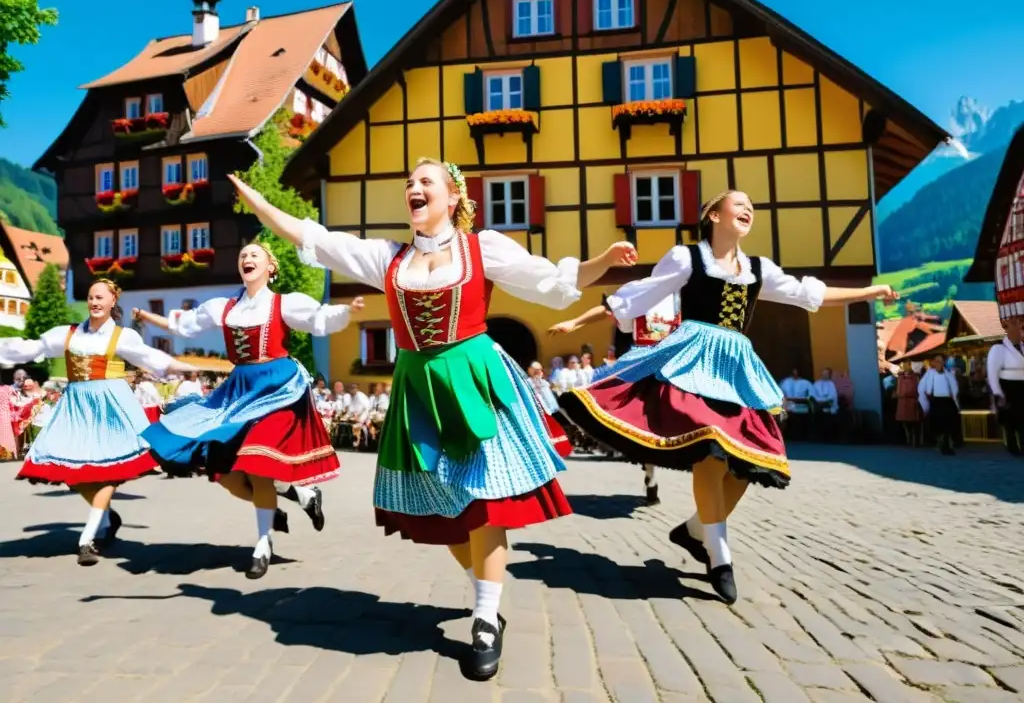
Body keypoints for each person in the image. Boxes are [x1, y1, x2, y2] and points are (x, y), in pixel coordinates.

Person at [229, 161, 636, 680]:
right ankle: (484, 587)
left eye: (426, 183)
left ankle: (486, 617)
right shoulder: (388, 259)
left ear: (453, 197)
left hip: (472, 378)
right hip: (418, 389)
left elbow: (550, 283)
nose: (414, 190)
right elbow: (319, 238)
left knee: (485, 501)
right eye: (409, 184)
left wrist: (603, 259)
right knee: (441, 510)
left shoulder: (481, 248)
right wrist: (258, 204)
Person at [558, 190, 896, 604]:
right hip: (692, 360)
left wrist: (868, 292)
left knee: (751, 461)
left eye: (751, 206)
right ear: (713, 215)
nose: (748, 208)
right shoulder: (687, 259)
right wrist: (582, 318)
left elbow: (809, 295)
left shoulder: (758, 269)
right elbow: (642, 294)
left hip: (736, 367)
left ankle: (696, 529)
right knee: (710, 451)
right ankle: (720, 557)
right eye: (739, 204)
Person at [132, 243, 360, 579]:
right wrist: (148, 316)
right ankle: (300, 495)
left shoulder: (284, 303)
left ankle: (263, 543)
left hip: (278, 388)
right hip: (239, 389)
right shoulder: (223, 308)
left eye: (255, 255)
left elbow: (318, 319)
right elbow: (185, 324)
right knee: (226, 475)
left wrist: (346, 311)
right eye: (242, 256)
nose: (247, 259)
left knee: (257, 463)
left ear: (271, 266)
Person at [0, 279, 193, 565]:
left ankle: (87, 539)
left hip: (109, 406)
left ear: (113, 301)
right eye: (91, 297)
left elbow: (149, 357)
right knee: (71, 472)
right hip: (76, 406)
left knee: (106, 473)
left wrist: (182, 366)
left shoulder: (121, 336)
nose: (94, 302)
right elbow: (31, 348)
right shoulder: (68, 334)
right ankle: (107, 517)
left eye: (100, 297)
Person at [549, 291, 683, 505]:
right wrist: (574, 322)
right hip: (641, 364)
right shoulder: (639, 291)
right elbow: (607, 308)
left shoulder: (678, 295)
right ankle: (648, 466)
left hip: (669, 365)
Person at [988, 317, 1024, 456]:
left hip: (1022, 386)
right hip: (1008, 387)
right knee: (1011, 420)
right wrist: (997, 392)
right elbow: (992, 372)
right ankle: (1013, 446)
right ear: (1007, 329)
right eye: (1014, 325)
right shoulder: (999, 349)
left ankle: (1022, 443)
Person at [919, 353, 960, 456]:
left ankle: (948, 443)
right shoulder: (929, 374)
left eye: (941, 361)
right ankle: (940, 442)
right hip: (936, 401)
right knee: (937, 424)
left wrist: (954, 398)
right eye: (937, 361)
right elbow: (922, 388)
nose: (939, 363)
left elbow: (954, 387)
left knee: (949, 423)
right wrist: (926, 400)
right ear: (933, 362)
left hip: (947, 401)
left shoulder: (948, 374)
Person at [780, 369, 814, 440]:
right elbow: (781, 393)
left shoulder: (806, 382)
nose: (795, 374)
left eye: (796, 372)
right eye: (794, 372)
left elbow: (811, 395)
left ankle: (801, 436)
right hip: (788, 404)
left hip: (801, 404)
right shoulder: (786, 382)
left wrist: (804, 399)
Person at [894, 362, 922, 446]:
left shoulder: (915, 377)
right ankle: (908, 438)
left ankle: (913, 439)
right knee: (904, 423)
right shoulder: (900, 377)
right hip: (903, 402)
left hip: (912, 401)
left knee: (913, 423)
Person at [811, 368, 839, 440]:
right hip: (818, 404)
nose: (824, 375)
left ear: (829, 375)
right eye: (823, 373)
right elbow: (813, 394)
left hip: (827, 404)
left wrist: (823, 401)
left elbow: (832, 396)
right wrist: (818, 400)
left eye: (826, 373)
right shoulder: (816, 383)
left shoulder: (831, 384)